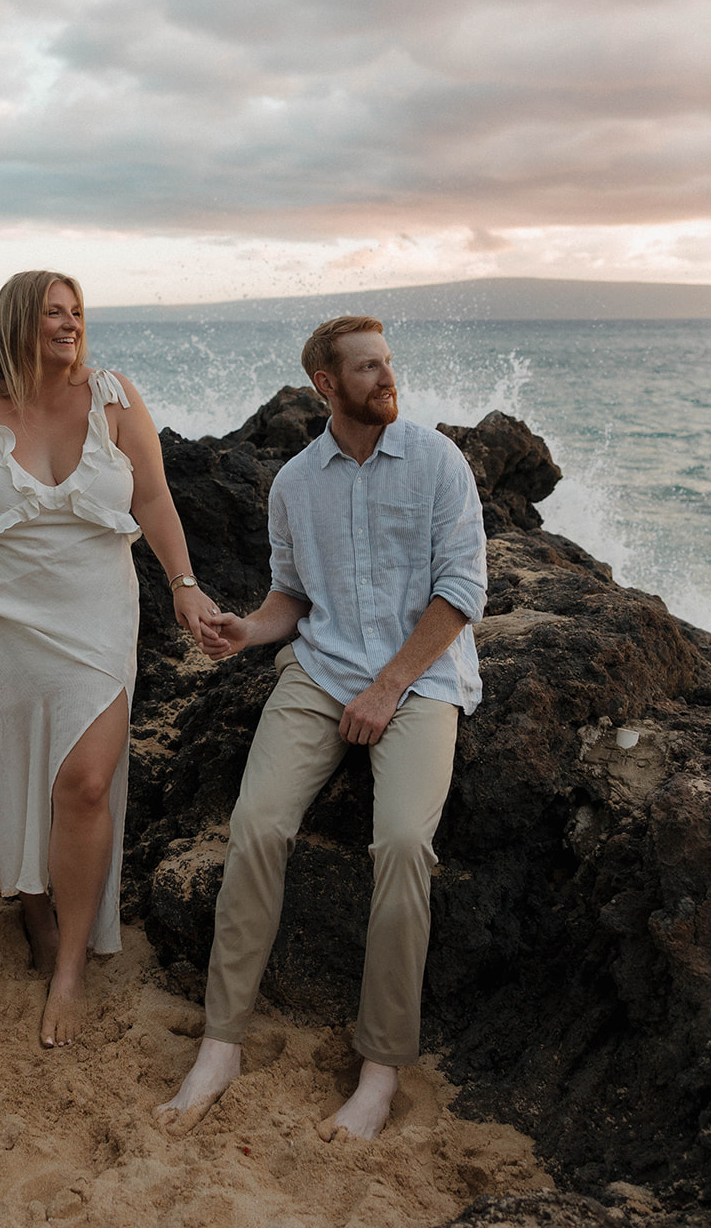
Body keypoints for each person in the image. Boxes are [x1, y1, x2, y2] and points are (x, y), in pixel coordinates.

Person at [156, 315, 486, 1142]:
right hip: (319, 670)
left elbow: (461, 593)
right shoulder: (295, 484)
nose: (385, 377)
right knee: (257, 825)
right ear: (325, 386)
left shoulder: (440, 463)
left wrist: (388, 687)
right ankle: (221, 1043)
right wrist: (247, 632)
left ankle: (379, 1068)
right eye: (366, 367)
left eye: (387, 362)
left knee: (404, 842)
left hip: (419, 679)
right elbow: (290, 600)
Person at [0, 270, 217, 1050]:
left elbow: (153, 499)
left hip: (94, 612)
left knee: (85, 782)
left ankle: (69, 969)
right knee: (26, 766)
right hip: (3, 614)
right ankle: (34, 900)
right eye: (53, 313)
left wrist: (183, 586)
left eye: (76, 313)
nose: (69, 324)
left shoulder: (115, 399)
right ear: (18, 323)